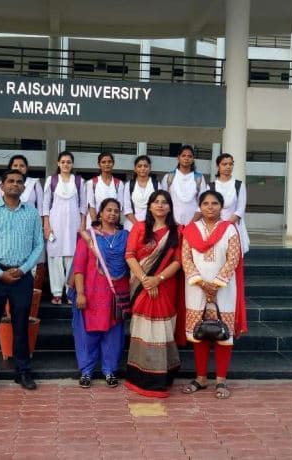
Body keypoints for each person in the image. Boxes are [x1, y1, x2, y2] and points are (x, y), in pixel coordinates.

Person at [0, 170, 44, 393]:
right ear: (2, 186)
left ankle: (22, 372)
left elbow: (38, 245)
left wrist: (23, 270)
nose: (15, 184)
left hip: (22, 277)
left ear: (24, 187)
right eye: (10, 181)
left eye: (19, 182)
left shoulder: (31, 213)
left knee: (21, 326)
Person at [181, 190, 247, 399]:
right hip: (196, 288)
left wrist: (216, 285)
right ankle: (201, 378)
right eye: (206, 203)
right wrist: (202, 283)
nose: (210, 207)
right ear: (200, 207)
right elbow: (185, 259)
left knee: (222, 334)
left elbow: (233, 258)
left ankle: (220, 379)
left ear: (221, 206)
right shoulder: (190, 230)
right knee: (199, 333)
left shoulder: (230, 229)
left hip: (224, 289)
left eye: (215, 203)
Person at [124, 191, 182, 398]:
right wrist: (146, 280)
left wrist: (158, 279)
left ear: (170, 207)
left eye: (165, 202)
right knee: (143, 329)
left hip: (165, 286)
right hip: (141, 286)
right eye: (156, 202)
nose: (160, 205)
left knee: (161, 331)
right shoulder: (140, 227)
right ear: (149, 206)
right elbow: (129, 255)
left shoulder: (177, 231)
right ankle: (139, 377)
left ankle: (160, 378)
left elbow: (178, 261)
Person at [73, 198, 129, 389]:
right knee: (88, 333)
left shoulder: (125, 236)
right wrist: (80, 293)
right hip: (92, 292)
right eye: (108, 210)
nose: (112, 214)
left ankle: (110, 371)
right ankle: (86, 372)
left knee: (113, 333)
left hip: (117, 292)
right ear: (100, 213)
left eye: (116, 211)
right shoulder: (89, 237)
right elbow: (79, 267)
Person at [42, 151, 87, 305]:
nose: (66, 164)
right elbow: (45, 204)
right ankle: (56, 293)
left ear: (72, 164)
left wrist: (82, 224)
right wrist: (46, 225)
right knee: (55, 256)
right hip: (55, 223)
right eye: (63, 162)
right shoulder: (52, 180)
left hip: (74, 223)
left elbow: (83, 205)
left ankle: (70, 292)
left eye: (68, 162)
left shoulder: (79, 181)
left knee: (72, 256)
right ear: (58, 163)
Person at [210, 153, 250, 253]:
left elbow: (240, 209)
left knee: (233, 255)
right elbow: (208, 207)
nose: (228, 167)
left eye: (230, 164)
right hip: (214, 227)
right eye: (224, 164)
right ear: (218, 166)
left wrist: (226, 225)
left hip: (234, 226)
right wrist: (219, 226)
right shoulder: (211, 186)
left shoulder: (239, 185)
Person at [160, 145, 208, 225]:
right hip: (171, 223)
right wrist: (172, 221)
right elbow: (163, 201)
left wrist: (192, 223)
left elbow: (203, 202)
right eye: (183, 156)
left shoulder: (199, 178)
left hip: (194, 223)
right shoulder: (168, 177)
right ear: (178, 158)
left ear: (193, 159)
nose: (186, 158)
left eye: (189, 156)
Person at [86, 152, 125, 228]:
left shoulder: (119, 183)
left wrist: (116, 224)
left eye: (109, 162)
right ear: (99, 164)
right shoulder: (92, 183)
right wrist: (96, 224)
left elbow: (119, 207)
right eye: (103, 162)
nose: (107, 164)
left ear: (113, 163)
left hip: (112, 224)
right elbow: (91, 205)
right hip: (95, 224)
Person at [123, 155, 159, 230]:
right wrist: (138, 225)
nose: (143, 168)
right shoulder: (129, 185)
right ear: (135, 169)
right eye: (139, 166)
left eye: (145, 166)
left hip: (151, 225)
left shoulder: (156, 185)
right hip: (131, 225)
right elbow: (127, 208)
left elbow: (158, 206)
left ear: (150, 168)